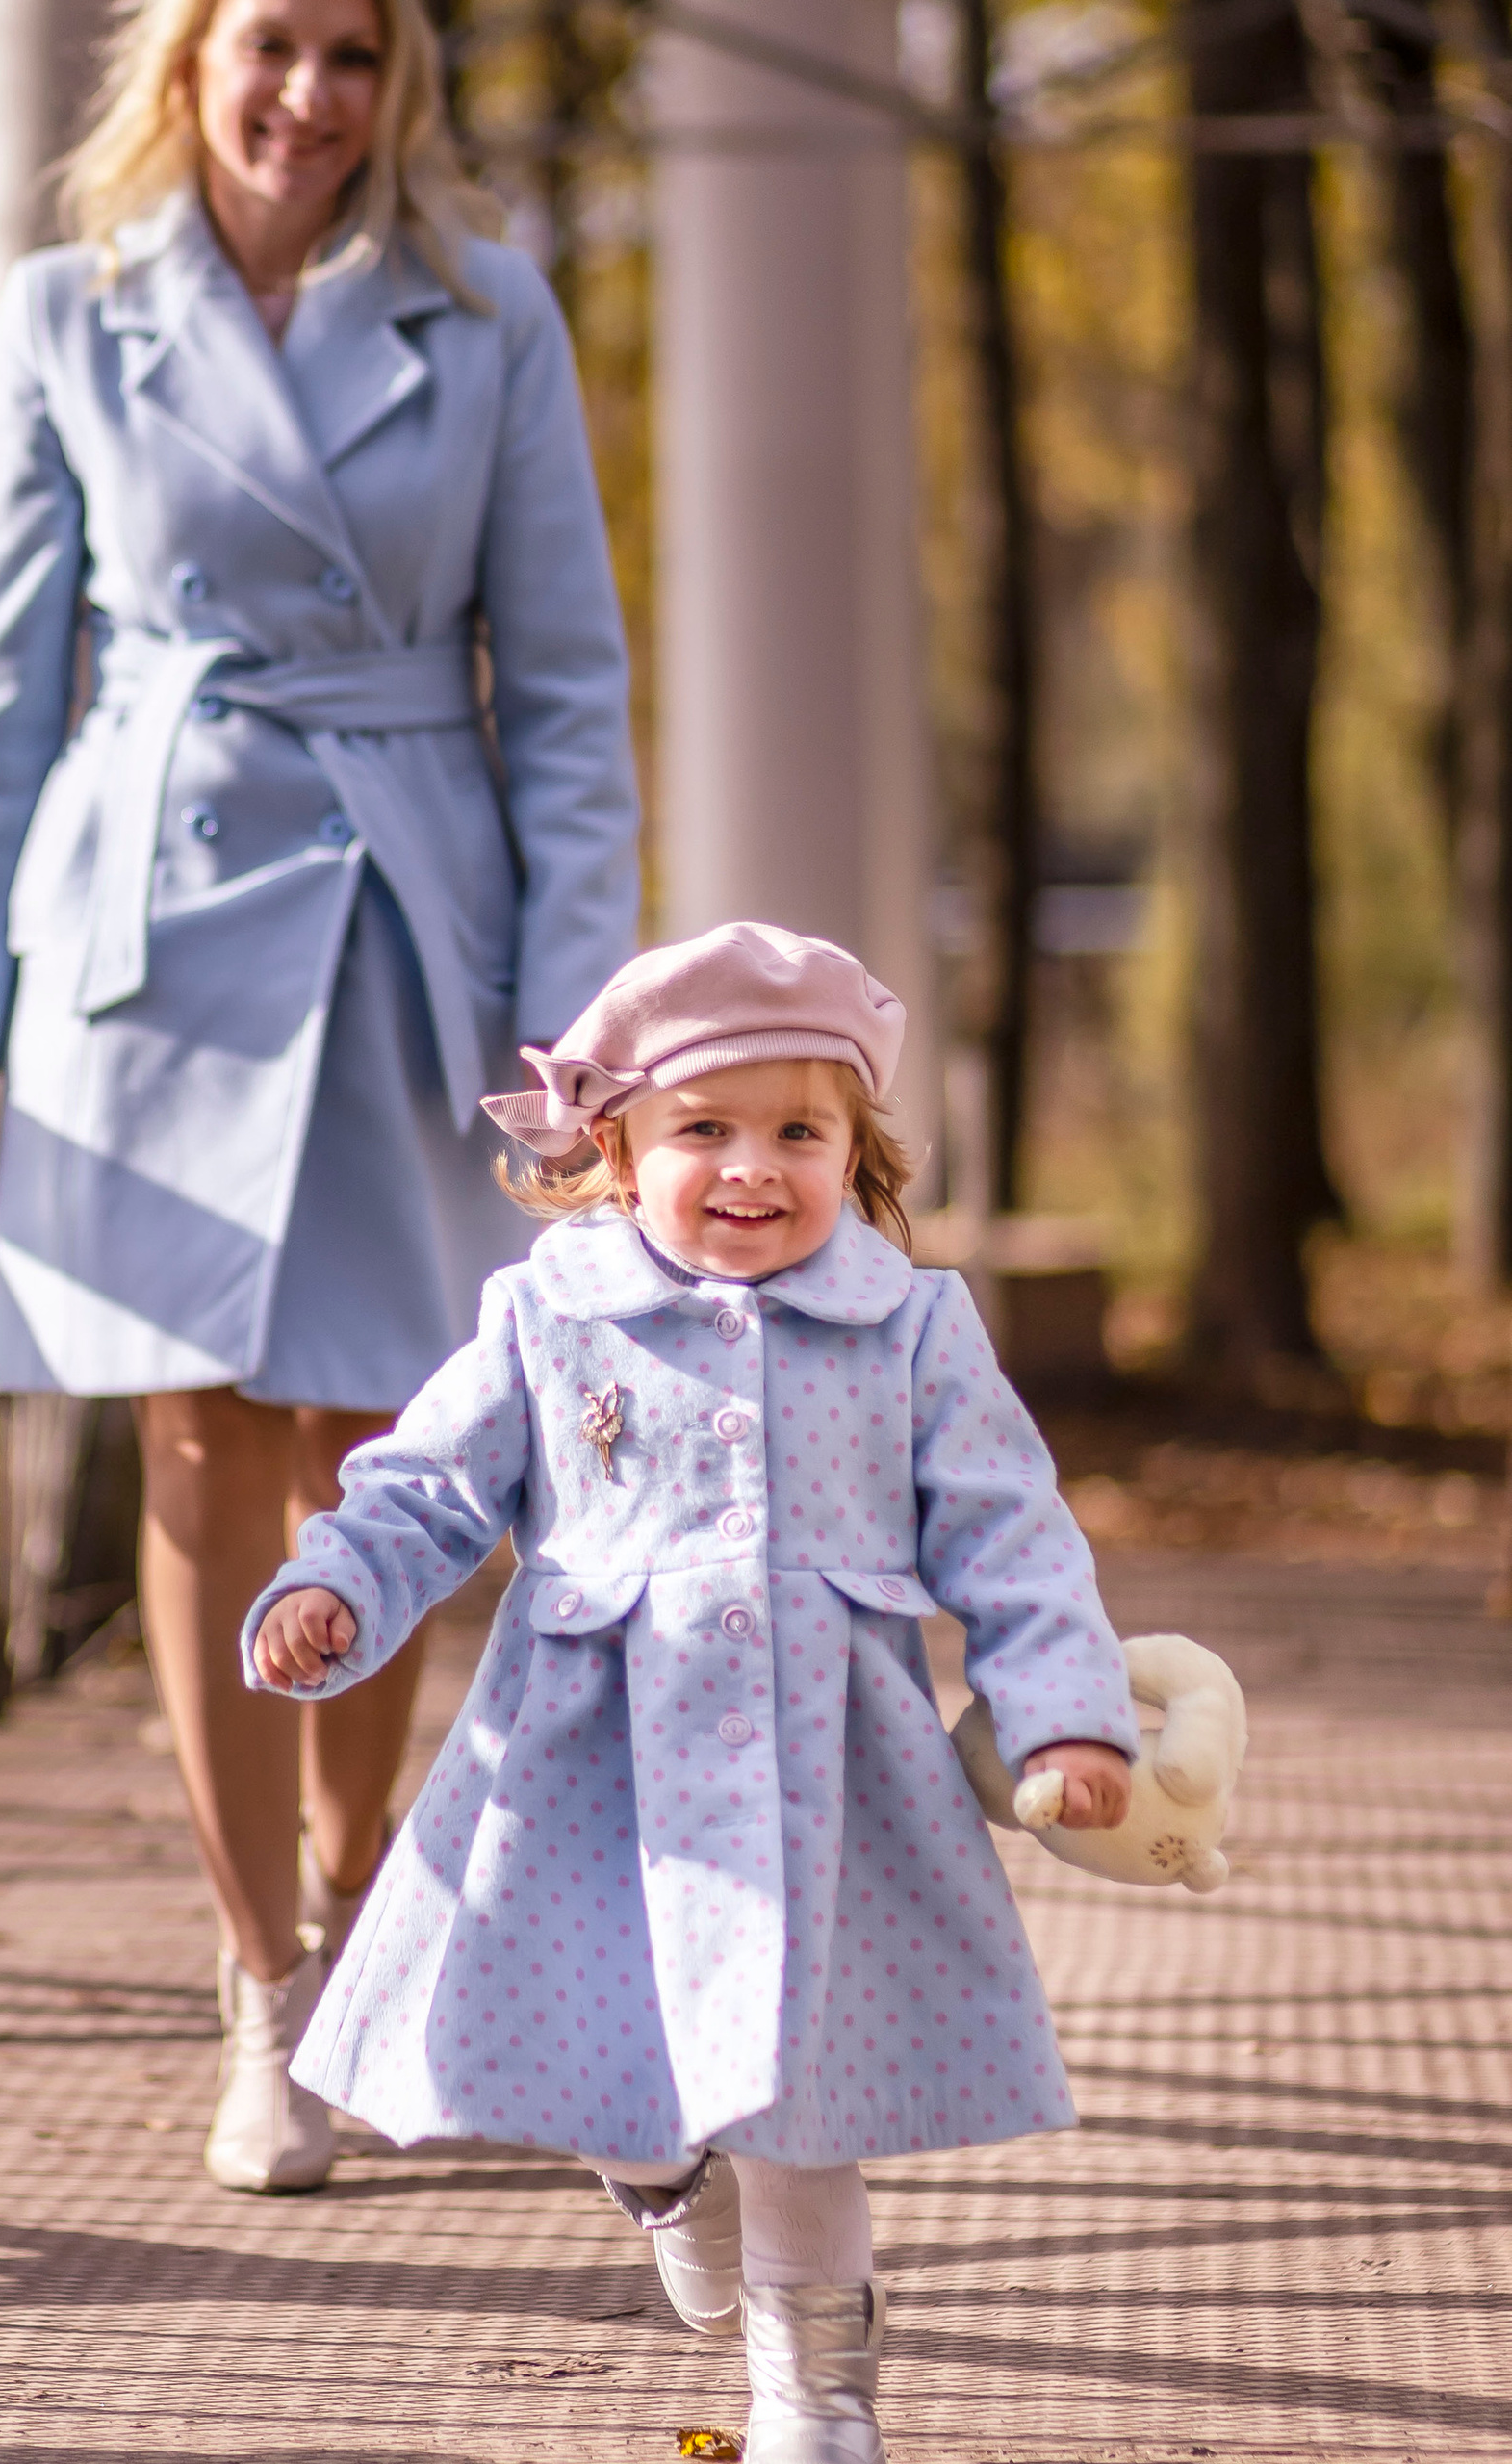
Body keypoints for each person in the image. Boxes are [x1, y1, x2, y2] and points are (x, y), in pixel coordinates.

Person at [0, 0, 639, 2196]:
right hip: (148, 933)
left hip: (409, 921)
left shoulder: (487, 315)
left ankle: (360, 1889)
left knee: (376, 1449)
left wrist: (569, 1026)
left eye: (350, 53)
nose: (305, 94)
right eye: (268, 45)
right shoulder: (67, 313)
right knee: (206, 1437)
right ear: (184, 61)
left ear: (397, 84)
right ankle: (265, 1986)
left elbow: (569, 696)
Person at [245, 922, 1140, 2462]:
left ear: (859, 1146)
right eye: (704, 1130)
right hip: (588, 1774)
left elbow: (1013, 1534)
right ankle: (662, 2183)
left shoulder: (913, 1328)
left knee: (799, 2103)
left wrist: (1067, 1711)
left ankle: (815, 2394)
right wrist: (339, 1583)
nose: (754, 1167)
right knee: (608, 2071)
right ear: (615, 1144)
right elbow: (430, 1484)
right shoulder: (553, 1315)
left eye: (801, 1131)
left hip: (826, 1783)